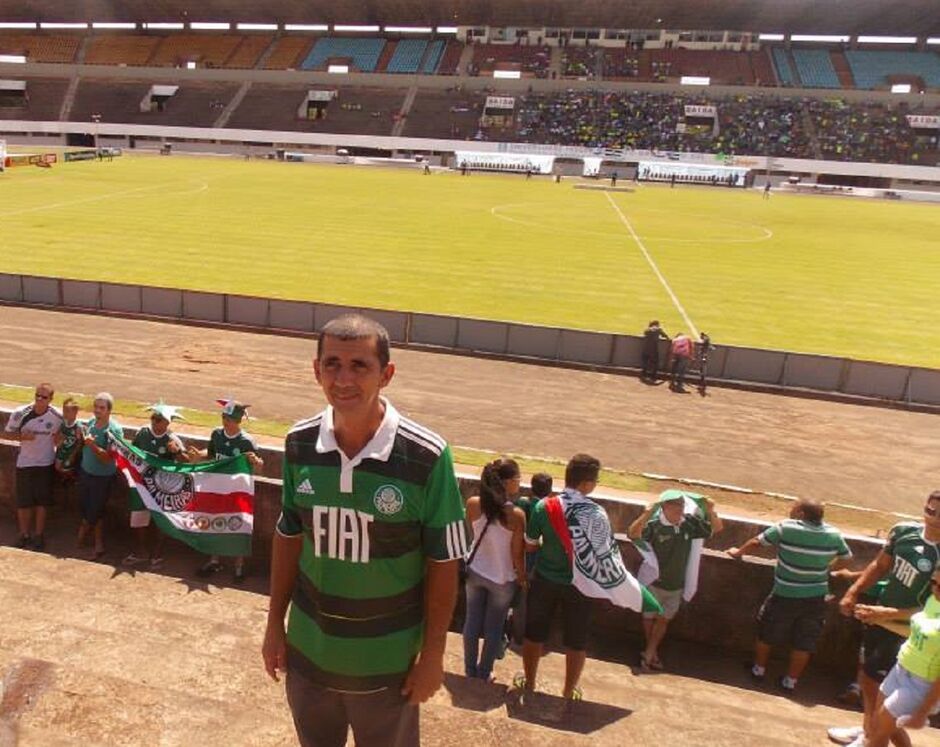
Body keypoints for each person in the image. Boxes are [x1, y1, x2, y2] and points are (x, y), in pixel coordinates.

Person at [262, 314, 468, 747]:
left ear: (386, 374)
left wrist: (433, 655)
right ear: (316, 370)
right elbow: (290, 536)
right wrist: (273, 624)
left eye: (360, 366)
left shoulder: (426, 455)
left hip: (387, 668)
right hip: (309, 657)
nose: (343, 378)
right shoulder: (299, 442)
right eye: (332, 364)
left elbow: (443, 562)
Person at [827, 491, 940, 747]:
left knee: (882, 693)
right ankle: (869, 727)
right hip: (880, 618)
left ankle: (872, 735)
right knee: (868, 678)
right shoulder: (903, 532)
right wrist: (853, 592)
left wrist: (887, 614)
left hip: (911, 633)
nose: (933, 518)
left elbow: (934, 607)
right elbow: (879, 566)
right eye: (930, 510)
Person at [728, 498, 851, 693]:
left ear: (801, 514)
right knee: (805, 640)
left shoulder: (787, 527)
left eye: (793, 509)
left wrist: (738, 552)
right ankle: (790, 682)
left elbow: (756, 542)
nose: (790, 512)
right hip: (816, 597)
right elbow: (846, 558)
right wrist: (824, 567)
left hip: (785, 593)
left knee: (767, 632)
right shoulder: (834, 534)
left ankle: (758, 670)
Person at [519, 453, 603, 702]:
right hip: (580, 584)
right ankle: (569, 690)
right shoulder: (595, 513)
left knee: (534, 634)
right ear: (586, 484)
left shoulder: (544, 507)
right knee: (577, 641)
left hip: (545, 579)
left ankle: (530, 683)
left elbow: (531, 545)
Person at [629, 490, 723, 671]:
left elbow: (717, 528)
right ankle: (652, 653)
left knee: (663, 620)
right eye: (676, 505)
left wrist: (711, 511)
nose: (680, 509)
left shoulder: (688, 523)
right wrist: (647, 513)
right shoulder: (655, 525)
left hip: (676, 585)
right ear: (664, 507)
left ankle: (649, 651)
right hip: (653, 582)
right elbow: (633, 534)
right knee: (648, 618)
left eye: (682, 505)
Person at [462, 459, 526, 682]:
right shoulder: (516, 515)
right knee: (494, 627)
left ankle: (469, 670)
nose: (520, 483)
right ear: (508, 483)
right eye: (518, 479)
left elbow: (469, 534)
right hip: (501, 578)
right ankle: (484, 672)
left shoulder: (472, 504)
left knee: (471, 622)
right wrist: (523, 577)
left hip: (475, 571)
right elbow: (517, 555)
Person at [864, 568, 940, 747]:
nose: (936, 589)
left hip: (921, 685)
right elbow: (915, 633)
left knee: (878, 733)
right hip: (900, 669)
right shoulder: (933, 601)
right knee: (882, 727)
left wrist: (923, 711)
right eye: (934, 582)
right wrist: (881, 620)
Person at [192, 399, 263, 582]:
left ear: (238, 421)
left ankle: (238, 566)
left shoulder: (247, 441)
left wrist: (256, 462)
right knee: (214, 521)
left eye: (229, 418)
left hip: (237, 492)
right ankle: (214, 560)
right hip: (216, 487)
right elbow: (210, 455)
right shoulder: (216, 434)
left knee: (238, 525)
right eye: (224, 416)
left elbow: (259, 467)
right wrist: (196, 456)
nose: (225, 421)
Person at [123, 402, 190, 568]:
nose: (154, 421)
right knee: (138, 518)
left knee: (161, 521)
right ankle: (141, 552)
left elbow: (187, 462)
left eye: (159, 419)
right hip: (142, 484)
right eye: (153, 417)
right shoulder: (143, 433)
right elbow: (132, 452)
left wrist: (177, 452)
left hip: (162, 487)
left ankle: (157, 555)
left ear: (167, 422)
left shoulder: (173, 439)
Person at [4, 383, 62, 550]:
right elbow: (6, 434)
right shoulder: (20, 413)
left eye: (43, 397)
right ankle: (23, 534)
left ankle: (38, 535)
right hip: (25, 463)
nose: (39, 399)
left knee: (42, 503)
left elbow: (63, 435)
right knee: (24, 502)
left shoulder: (57, 416)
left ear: (50, 399)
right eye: (37, 395)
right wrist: (21, 436)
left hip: (45, 464)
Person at [77, 393, 123, 560]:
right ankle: (97, 543)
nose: (97, 410)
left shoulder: (115, 430)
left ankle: (88, 540)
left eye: (102, 408)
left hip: (102, 477)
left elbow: (108, 458)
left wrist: (92, 445)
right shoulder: (90, 422)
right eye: (96, 407)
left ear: (109, 410)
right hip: (86, 472)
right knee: (91, 510)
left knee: (95, 511)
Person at [509, 472, 553, 645]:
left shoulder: (521, 503)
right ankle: (531, 637)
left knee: (519, 599)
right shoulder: (548, 508)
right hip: (539, 560)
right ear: (549, 490)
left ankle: (517, 635)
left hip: (518, 555)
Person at [53, 397, 83, 480]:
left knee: (65, 468)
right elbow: (57, 435)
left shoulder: (77, 427)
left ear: (75, 412)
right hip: (61, 450)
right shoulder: (63, 423)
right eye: (64, 411)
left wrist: (73, 455)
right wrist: (59, 440)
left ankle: (71, 479)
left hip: (69, 452)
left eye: (67, 411)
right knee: (57, 467)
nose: (64, 413)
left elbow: (79, 442)